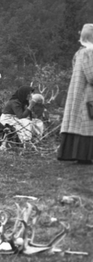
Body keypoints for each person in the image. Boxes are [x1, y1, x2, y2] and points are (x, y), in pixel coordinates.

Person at [57, 23, 93, 164]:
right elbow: (91, 76)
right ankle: (85, 156)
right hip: (88, 95)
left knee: (79, 123)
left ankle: (78, 155)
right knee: (87, 125)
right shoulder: (90, 52)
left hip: (78, 93)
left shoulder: (79, 52)